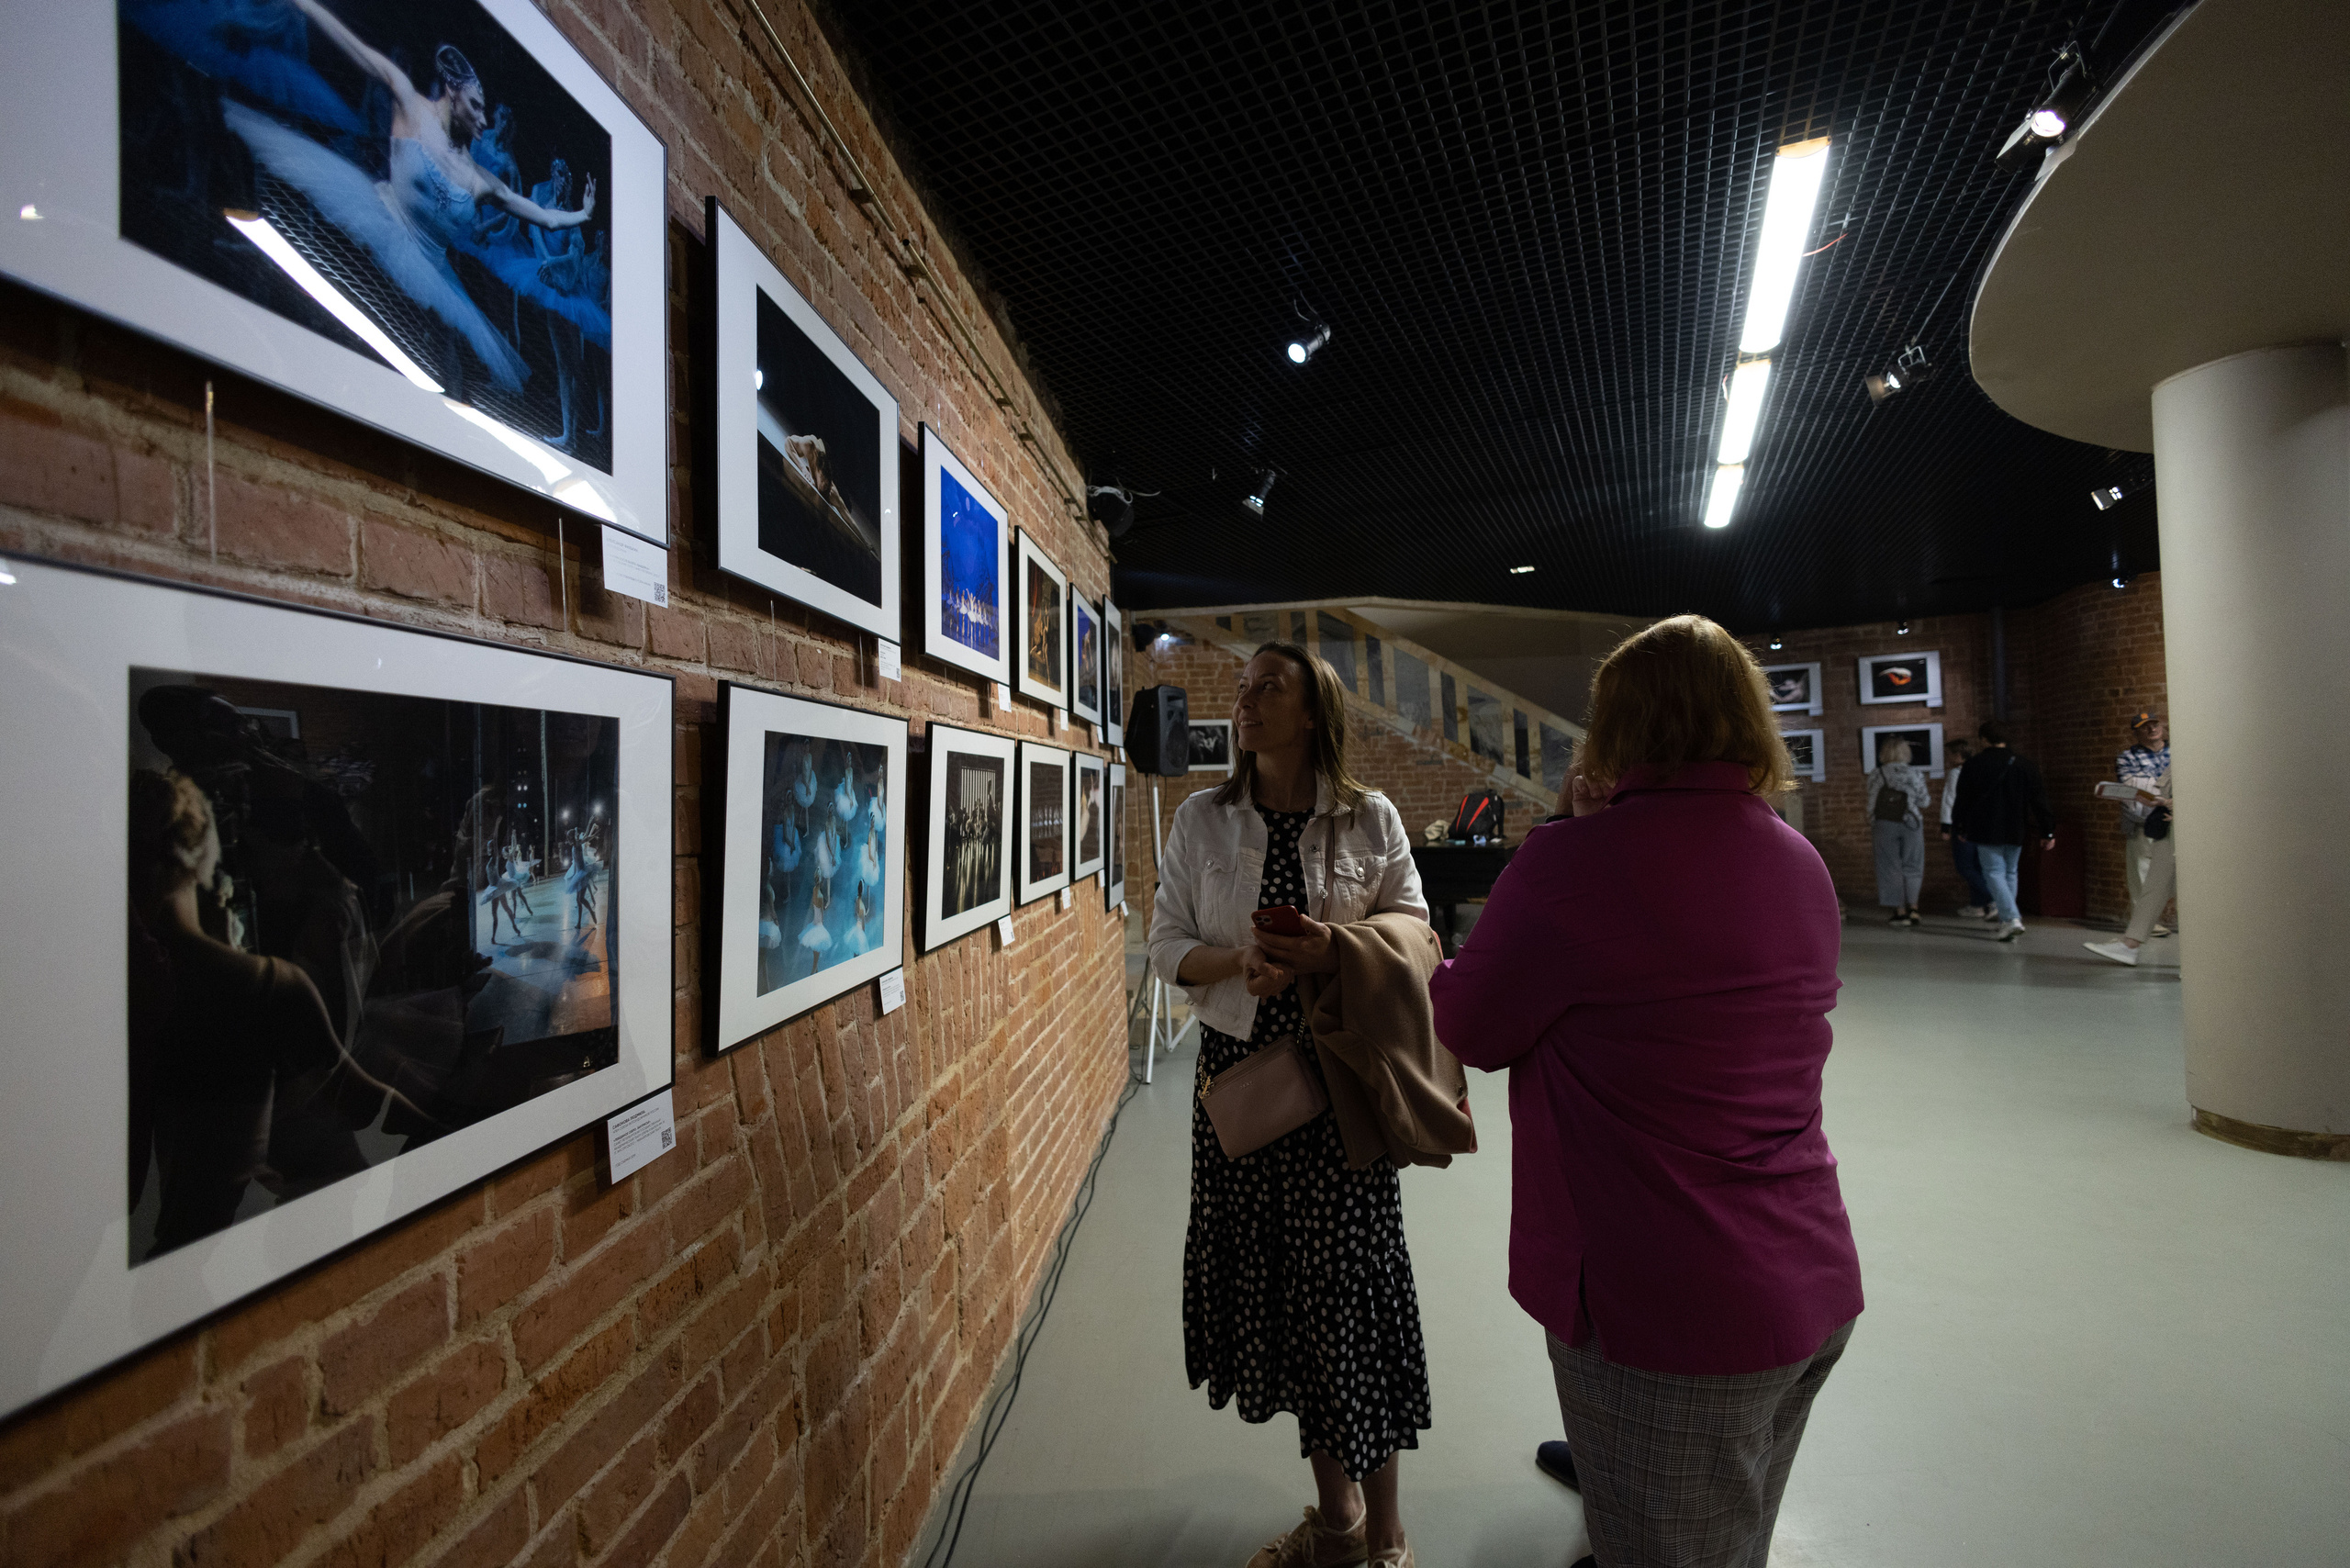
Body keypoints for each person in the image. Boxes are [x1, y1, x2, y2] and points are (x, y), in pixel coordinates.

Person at [1427, 616, 1862, 1568]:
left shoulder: (1575, 861)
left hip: (1664, 1301)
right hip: (1802, 1271)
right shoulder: (1796, 857)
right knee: (1724, 1532)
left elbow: (1470, 1024)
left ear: (1615, 728)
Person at [1149, 642, 1432, 1568]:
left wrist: (1332, 951)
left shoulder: (1366, 815)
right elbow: (1166, 947)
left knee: (1349, 1299)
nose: (1247, 700)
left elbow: (1415, 929)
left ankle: (1385, 1531)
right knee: (1288, 1308)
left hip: (1343, 1092)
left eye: (1270, 685)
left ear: (1314, 710)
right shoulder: (1202, 816)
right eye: (1243, 688)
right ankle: (1338, 1519)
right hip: (1242, 1092)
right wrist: (1240, 963)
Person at [1950, 720, 2057, 943]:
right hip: (2016, 826)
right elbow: (2039, 800)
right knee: (2010, 872)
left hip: (1985, 826)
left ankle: (2011, 918)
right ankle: (2005, 921)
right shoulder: (2025, 764)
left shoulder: (1974, 765)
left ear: (1984, 739)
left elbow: (1962, 800)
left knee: (1993, 872)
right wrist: (2048, 831)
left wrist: (1959, 825)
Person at [2085, 764, 2175, 966]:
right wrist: (2160, 801)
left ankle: (2130, 945)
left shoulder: (2196, 753)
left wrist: (2171, 804)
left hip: (2182, 830)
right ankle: (2130, 944)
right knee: (2155, 887)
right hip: (2172, 827)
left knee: (2160, 887)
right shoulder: (2185, 753)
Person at [2114, 711, 2173, 935]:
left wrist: (2150, 786)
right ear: (2136, 732)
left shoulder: (2177, 751)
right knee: (2141, 873)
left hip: (2173, 818)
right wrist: (2164, 789)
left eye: (2154, 724)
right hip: (2142, 821)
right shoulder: (2127, 757)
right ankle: (2144, 924)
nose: (2152, 729)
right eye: (2145, 726)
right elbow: (2132, 789)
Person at [1865, 738, 1929, 924]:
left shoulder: (1877, 773)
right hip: (1912, 823)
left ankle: (1899, 911)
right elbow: (1925, 801)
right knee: (1913, 865)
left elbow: (1872, 802)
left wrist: (1872, 820)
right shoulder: (1915, 773)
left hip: (1885, 823)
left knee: (1889, 867)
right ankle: (1914, 909)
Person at [1937, 738, 1995, 916]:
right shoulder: (1982, 769)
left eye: (1949, 754)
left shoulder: (1957, 772)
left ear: (1957, 754)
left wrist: (1946, 826)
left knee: (1964, 866)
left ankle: (1994, 899)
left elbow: (1950, 800)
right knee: (1977, 866)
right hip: (1983, 824)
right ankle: (1977, 905)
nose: (1947, 758)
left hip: (1963, 824)